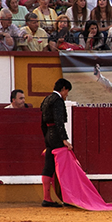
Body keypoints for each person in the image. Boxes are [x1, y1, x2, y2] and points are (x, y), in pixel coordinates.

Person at [39, 78, 72, 207]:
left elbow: (42, 123)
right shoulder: (58, 101)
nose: (67, 94)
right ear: (63, 88)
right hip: (56, 136)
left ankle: (47, 198)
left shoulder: (46, 100)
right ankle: (67, 197)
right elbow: (59, 121)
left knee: (49, 167)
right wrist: (64, 139)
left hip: (48, 135)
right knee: (62, 168)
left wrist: (46, 140)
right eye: (67, 91)